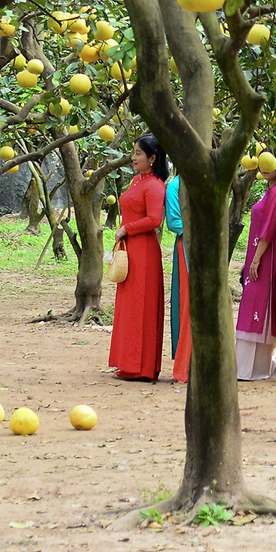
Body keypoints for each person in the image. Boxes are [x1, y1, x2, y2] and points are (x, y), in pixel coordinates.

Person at [107, 139, 168, 382]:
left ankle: (142, 367)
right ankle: (127, 362)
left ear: (152, 158)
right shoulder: (136, 181)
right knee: (129, 306)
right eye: (134, 153)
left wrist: (127, 229)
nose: (134, 157)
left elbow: (154, 219)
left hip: (144, 251)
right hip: (130, 249)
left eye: (139, 153)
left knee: (141, 306)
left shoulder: (154, 186)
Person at [235, 148, 276, 382]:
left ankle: (256, 368)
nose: (266, 166)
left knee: (259, 304)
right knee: (253, 304)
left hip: (267, 257)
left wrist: (257, 258)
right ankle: (255, 366)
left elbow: (268, 229)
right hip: (258, 256)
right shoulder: (269, 192)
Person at [164, 163, 192, 383]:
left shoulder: (210, 181)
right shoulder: (175, 186)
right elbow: (174, 222)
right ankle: (186, 366)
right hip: (188, 248)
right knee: (188, 304)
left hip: (208, 248)